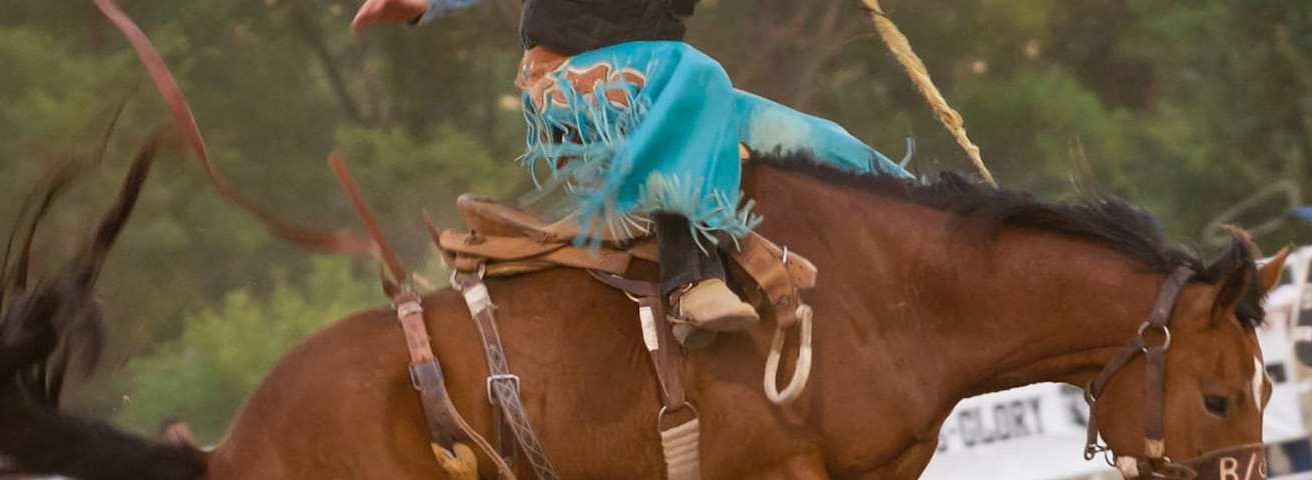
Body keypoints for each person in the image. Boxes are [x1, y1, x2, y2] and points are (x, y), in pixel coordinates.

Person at [350, 0, 908, 340]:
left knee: (821, 143)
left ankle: (934, 222)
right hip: (568, 84)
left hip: (663, 83)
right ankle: (688, 280)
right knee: (698, 75)